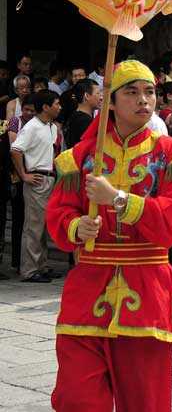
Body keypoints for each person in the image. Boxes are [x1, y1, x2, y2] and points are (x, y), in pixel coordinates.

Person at [46, 60, 172, 412]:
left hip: (147, 288)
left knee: (145, 401)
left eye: (149, 93)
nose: (143, 101)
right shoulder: (80, 158)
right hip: (88, 287)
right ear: (110, 102)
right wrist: (75, 227)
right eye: (132, 92)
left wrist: (118, 199)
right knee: (76, 397)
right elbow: (58, 213)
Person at [10, 90, 62, 282]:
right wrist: (24, 174)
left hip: (49, 178)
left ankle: (41, 265)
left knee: (42, 224)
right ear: (46, 107)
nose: (59, 106)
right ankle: (30, 270)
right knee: (33, 226)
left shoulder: (52, 127)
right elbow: (15, 149)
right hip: (37, 178)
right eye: (56, 103)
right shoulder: (32, 127)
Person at [6, 95, 35, 273]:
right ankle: (17, 261)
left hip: (31, 174)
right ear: (21, 109)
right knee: (18, 219)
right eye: (26, 110)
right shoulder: (14, 122)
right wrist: (22, 174)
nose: (29, 113)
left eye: (32, 110)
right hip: (17, 176)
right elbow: (14, 147)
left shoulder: (40, 123)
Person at [64, 79, 100, 149]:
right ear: (87, 96)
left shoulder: (76, 116)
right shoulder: (84, 121)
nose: (101, 97)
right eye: (98, 93)